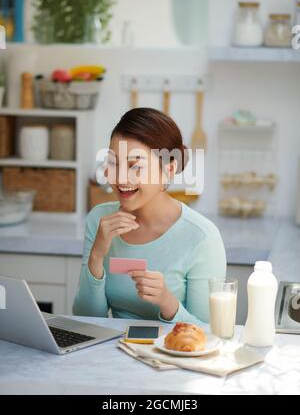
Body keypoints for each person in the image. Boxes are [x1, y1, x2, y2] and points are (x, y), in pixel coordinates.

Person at [73, 107, 226, 324]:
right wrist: (96, 256)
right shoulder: (100, 220)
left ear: (169, 170)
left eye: (135, 166)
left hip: (171, 356)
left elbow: (210, 335)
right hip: (112, 354)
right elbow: (85, 321)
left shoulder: (202, 237)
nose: (120, 177)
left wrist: (168, 303)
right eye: (113, 163)